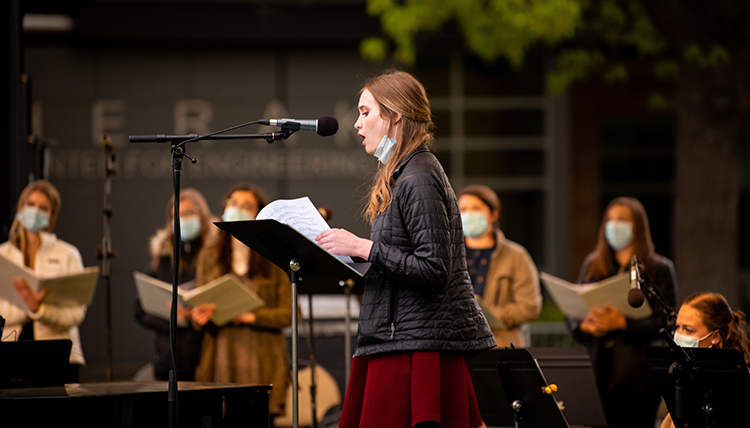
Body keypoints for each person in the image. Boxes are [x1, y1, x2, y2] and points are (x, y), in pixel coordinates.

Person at [315, 70, 495, 428]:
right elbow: (404, 261)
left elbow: (433, 269)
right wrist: (355, 255)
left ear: (395, 115)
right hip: (403, 339)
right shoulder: (407, 172)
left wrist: (364, 247)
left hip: (415, 348)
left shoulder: (419, 175)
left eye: (366, 113)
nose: (356, 124)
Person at [569, 196, 677, 428]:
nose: (614, 225)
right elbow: (574, 311)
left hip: (638, 376)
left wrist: (624, 324)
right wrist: (582, 325)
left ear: (638, 226)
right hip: (597, 370)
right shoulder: (593, 264)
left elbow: (667, 321)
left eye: (622, 219)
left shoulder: (659, 269)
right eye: (610, 219)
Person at [192, 183, 292, 421]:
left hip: (262, 361)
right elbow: (200, 311)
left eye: (247, 206)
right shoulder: (209, 255)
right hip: (221, 361)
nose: (238, 210)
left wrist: (249, 315)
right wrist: (199, 317)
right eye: (233, 204)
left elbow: (290, 314)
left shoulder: (273, 254)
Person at [0, 180, 87, 382]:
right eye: (30, 204)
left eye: (43, 208)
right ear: (21, 207)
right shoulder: (3, 255)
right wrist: (29, 306)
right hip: (10, 353)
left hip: (59, 355)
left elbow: (75, 312)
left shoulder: (68, 254)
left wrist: (40, 310)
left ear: (52, 214)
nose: (35, 211)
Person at [133, 188, 216, 381]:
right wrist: (172, 317)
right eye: (177, 215)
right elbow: (139, 308)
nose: (184, 219)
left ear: (202, 213)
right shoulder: (162, 258)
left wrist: (195, 315)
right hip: (167, 360)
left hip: (206, 358)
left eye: (190, 212)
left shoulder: (215, 255)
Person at [457, 184, 542, 348]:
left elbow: (530, 307)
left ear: (493, 215)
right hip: (457, 347)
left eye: (476, 208)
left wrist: (487, 315)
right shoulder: (449, 253)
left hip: (500, 346)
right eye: (463, 209)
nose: (468, 214)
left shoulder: (516, 255)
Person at [660, 292, 750, 428]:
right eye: (678, 327)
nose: (679, 335)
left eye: (688, 330)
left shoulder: (739, 380)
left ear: (715, 336)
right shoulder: (684, 378)